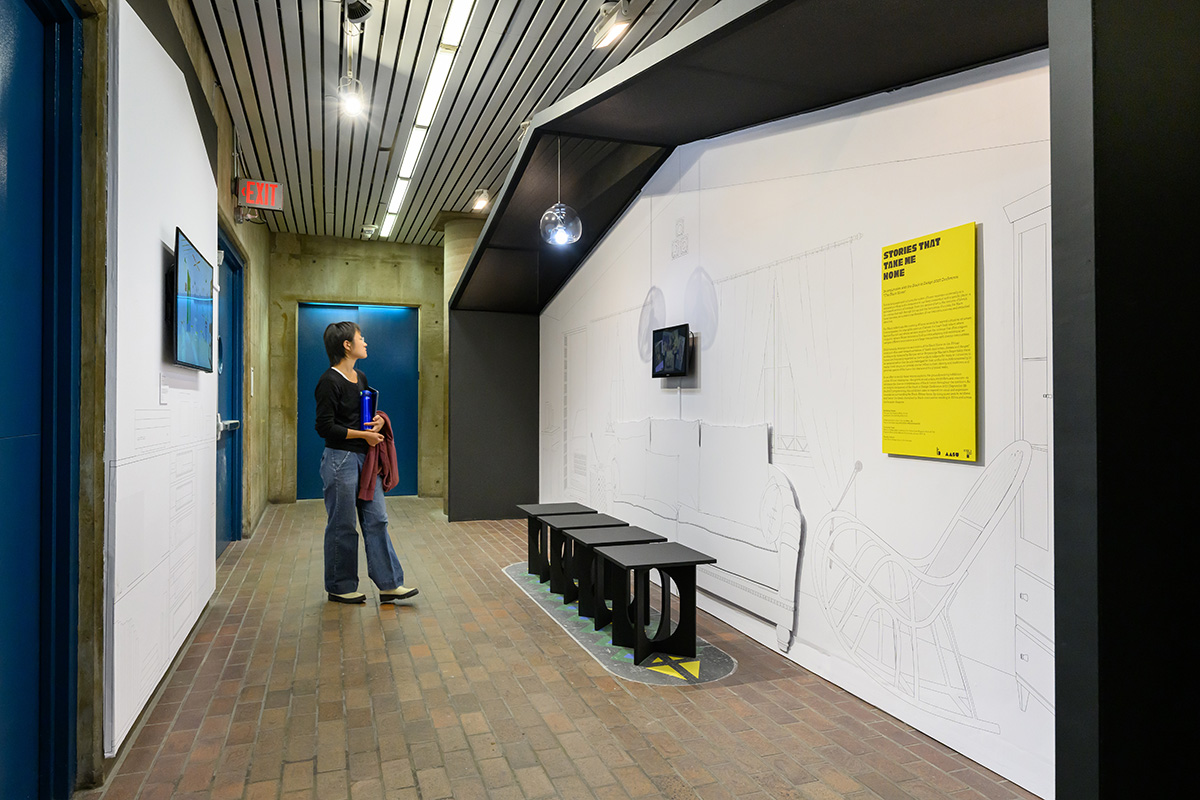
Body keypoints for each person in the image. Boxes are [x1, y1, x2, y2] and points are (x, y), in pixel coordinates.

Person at [314, 321, 418, 605]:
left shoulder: (360, 377)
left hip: (365, 459)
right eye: (361, 338)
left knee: (377, 520)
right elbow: (324, 427)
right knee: (343, 524)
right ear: (346, 345)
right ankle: (340, 586)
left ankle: (389, 584)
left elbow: (365, 416)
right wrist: (363, 436)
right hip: (340, 459)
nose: (365, 342)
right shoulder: (329, 381)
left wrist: (380, 420)